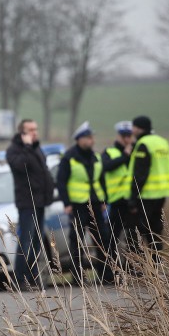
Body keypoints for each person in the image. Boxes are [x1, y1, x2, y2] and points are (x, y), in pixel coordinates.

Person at [57, 122, 111, 285]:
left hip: (95, 203)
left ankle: (106, 276)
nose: (92, 140)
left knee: (102, 239)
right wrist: (66, 203)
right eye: (88, 138)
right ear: (79, 139)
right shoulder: (69, 157)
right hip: (77, 205)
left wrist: (104, 200)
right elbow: (61, 181)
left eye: (92, 137)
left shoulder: (95, 157)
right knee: (77, 242)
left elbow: (101, 180)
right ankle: (78, 278)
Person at [6, 119, 55, 290]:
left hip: (40, 201)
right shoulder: (15, 150)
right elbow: (21, 166)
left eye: (36, 129)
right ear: (22, 133)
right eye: (30, 130)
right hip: (27, 202)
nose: (35, 132)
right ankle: (19, 280)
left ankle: (33, 278)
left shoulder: (36, 148)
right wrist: (27, 147)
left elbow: (43, 172)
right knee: (25, 241)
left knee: (36, 242)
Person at [124, 115, 169, 262]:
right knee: (156, 228)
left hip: (146, 194)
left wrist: (133, 199)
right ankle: (156, 262)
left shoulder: (143, 144)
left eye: (133, 127)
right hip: (162, 192)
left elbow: (140, 174)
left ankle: (139, 266)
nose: (132, 130)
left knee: (137, 230)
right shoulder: (162, 142)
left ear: (138, 128)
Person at [102, 121, 134, 265]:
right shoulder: (109, 152)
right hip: (116, 201)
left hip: (133, 201)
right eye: (124, 136)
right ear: (118, 136)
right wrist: (124, 156)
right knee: (112, 237)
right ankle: (114, 269)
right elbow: (106, 167)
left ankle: (133, 269)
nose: (127, 139)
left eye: (129, 136)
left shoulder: (136, 152)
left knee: (133, 237)